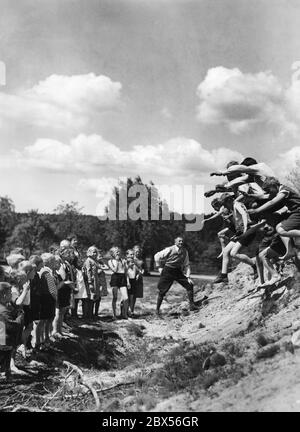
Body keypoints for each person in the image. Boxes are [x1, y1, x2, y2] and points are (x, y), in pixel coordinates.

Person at [249, 177, 300, 259]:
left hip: (298, 212)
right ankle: (290, 250)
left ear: (273, 185)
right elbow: (265, 196)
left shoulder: (284, 190)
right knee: (279, 226)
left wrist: (257, 210)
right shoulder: (279, 190)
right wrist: (250, 195)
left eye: (269, 190)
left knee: (280, 229)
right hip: (295, 212)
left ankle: (291, 249)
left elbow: (272, 202)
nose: (269, 193)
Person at [154, 237, 198, 316]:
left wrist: (188, 277)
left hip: (177, 271)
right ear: (175, 242)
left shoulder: (185, 251)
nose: (181, 242)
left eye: (182, 241)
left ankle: (192, 305)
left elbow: (187, 264)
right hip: (168, 270)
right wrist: (159, 267)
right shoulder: (169, 249)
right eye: (179, 241)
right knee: (162, 290)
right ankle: (157, 311)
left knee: (189, 285)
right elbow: (157, 256)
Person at [0, 282, 24, 377]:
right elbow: (12, 326)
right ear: (4, 295)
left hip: (4, 341)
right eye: (10, 293)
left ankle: (6, 373)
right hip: (3, 341)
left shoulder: (5, 306)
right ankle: (5, 374)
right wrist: (20, 316)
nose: (12, 294)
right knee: (4, 358)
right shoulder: (3, 310)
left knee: (5, 359)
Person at [39, 253, 57, 346]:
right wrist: (56, 298)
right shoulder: (46, 272)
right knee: (46, 319)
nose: (55, 262)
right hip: (47, 298)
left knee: (48, 319)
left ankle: (46, 337)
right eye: (54, 260)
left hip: (47, 297)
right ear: (49, 262)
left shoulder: (48, 270)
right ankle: (43, 339)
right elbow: (52, 288)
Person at [108, 247, 129, 320]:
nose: (118, 253)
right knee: (115, 297)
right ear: (112, 253)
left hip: (122, 278)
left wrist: (128, 281)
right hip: (115, 278)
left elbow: (126, 272)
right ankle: (114, 314)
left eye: (118, 251)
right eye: (116, 252)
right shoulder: (110, 261)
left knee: (126, 298)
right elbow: (115, 270)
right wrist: (117, 262)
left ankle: (124, 313)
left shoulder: (123, 260)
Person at [28, 255, 44, 350]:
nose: (42, 267)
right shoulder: (30, 276)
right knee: (29, 325)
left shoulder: (37, 275)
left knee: (35, 324)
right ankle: (28, 343)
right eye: (41, 265)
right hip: (31, 303)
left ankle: (35, 342)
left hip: (37, 302)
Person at [82, 246, 102, 319]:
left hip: (95, 280)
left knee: (94, 297)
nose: (95, 253)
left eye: (96, 252)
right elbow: (88, 271)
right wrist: (90, 282)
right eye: (93, 252)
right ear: (89, 252)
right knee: (90, 298)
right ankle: (88, 315)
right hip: (91, 281)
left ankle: (91, 314)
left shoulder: (94, 260)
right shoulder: (88, 260)